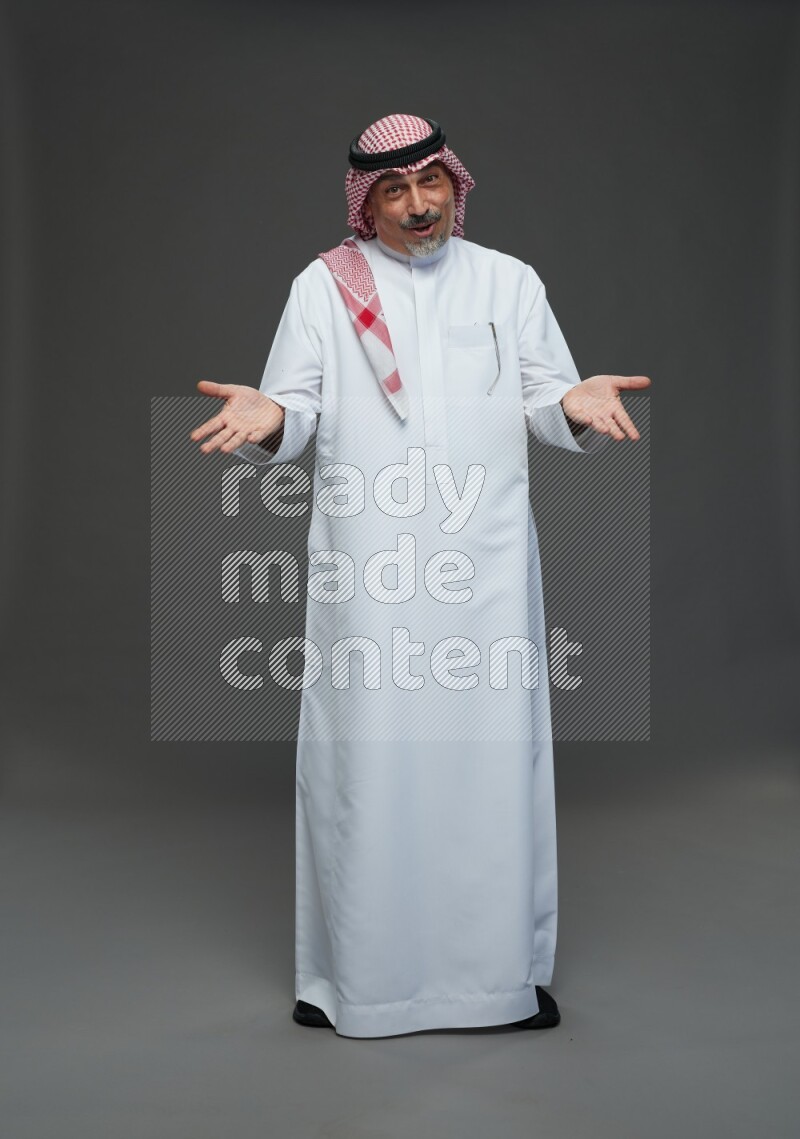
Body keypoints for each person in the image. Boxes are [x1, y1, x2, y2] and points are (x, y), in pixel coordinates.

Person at [190, 114, 650, 1039]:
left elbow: (545, 397)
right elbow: (295, 409)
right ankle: (352, 981)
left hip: (484, 567)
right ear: (366, 202)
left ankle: (497, 982)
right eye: (394, 190)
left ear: (454, 183)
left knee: (491, 762)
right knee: (365, 760)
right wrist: (269, 418)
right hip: (371, 569)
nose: (416, 205)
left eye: (429, 182)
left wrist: (576, 402)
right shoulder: (324, 287)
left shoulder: (508, 281)